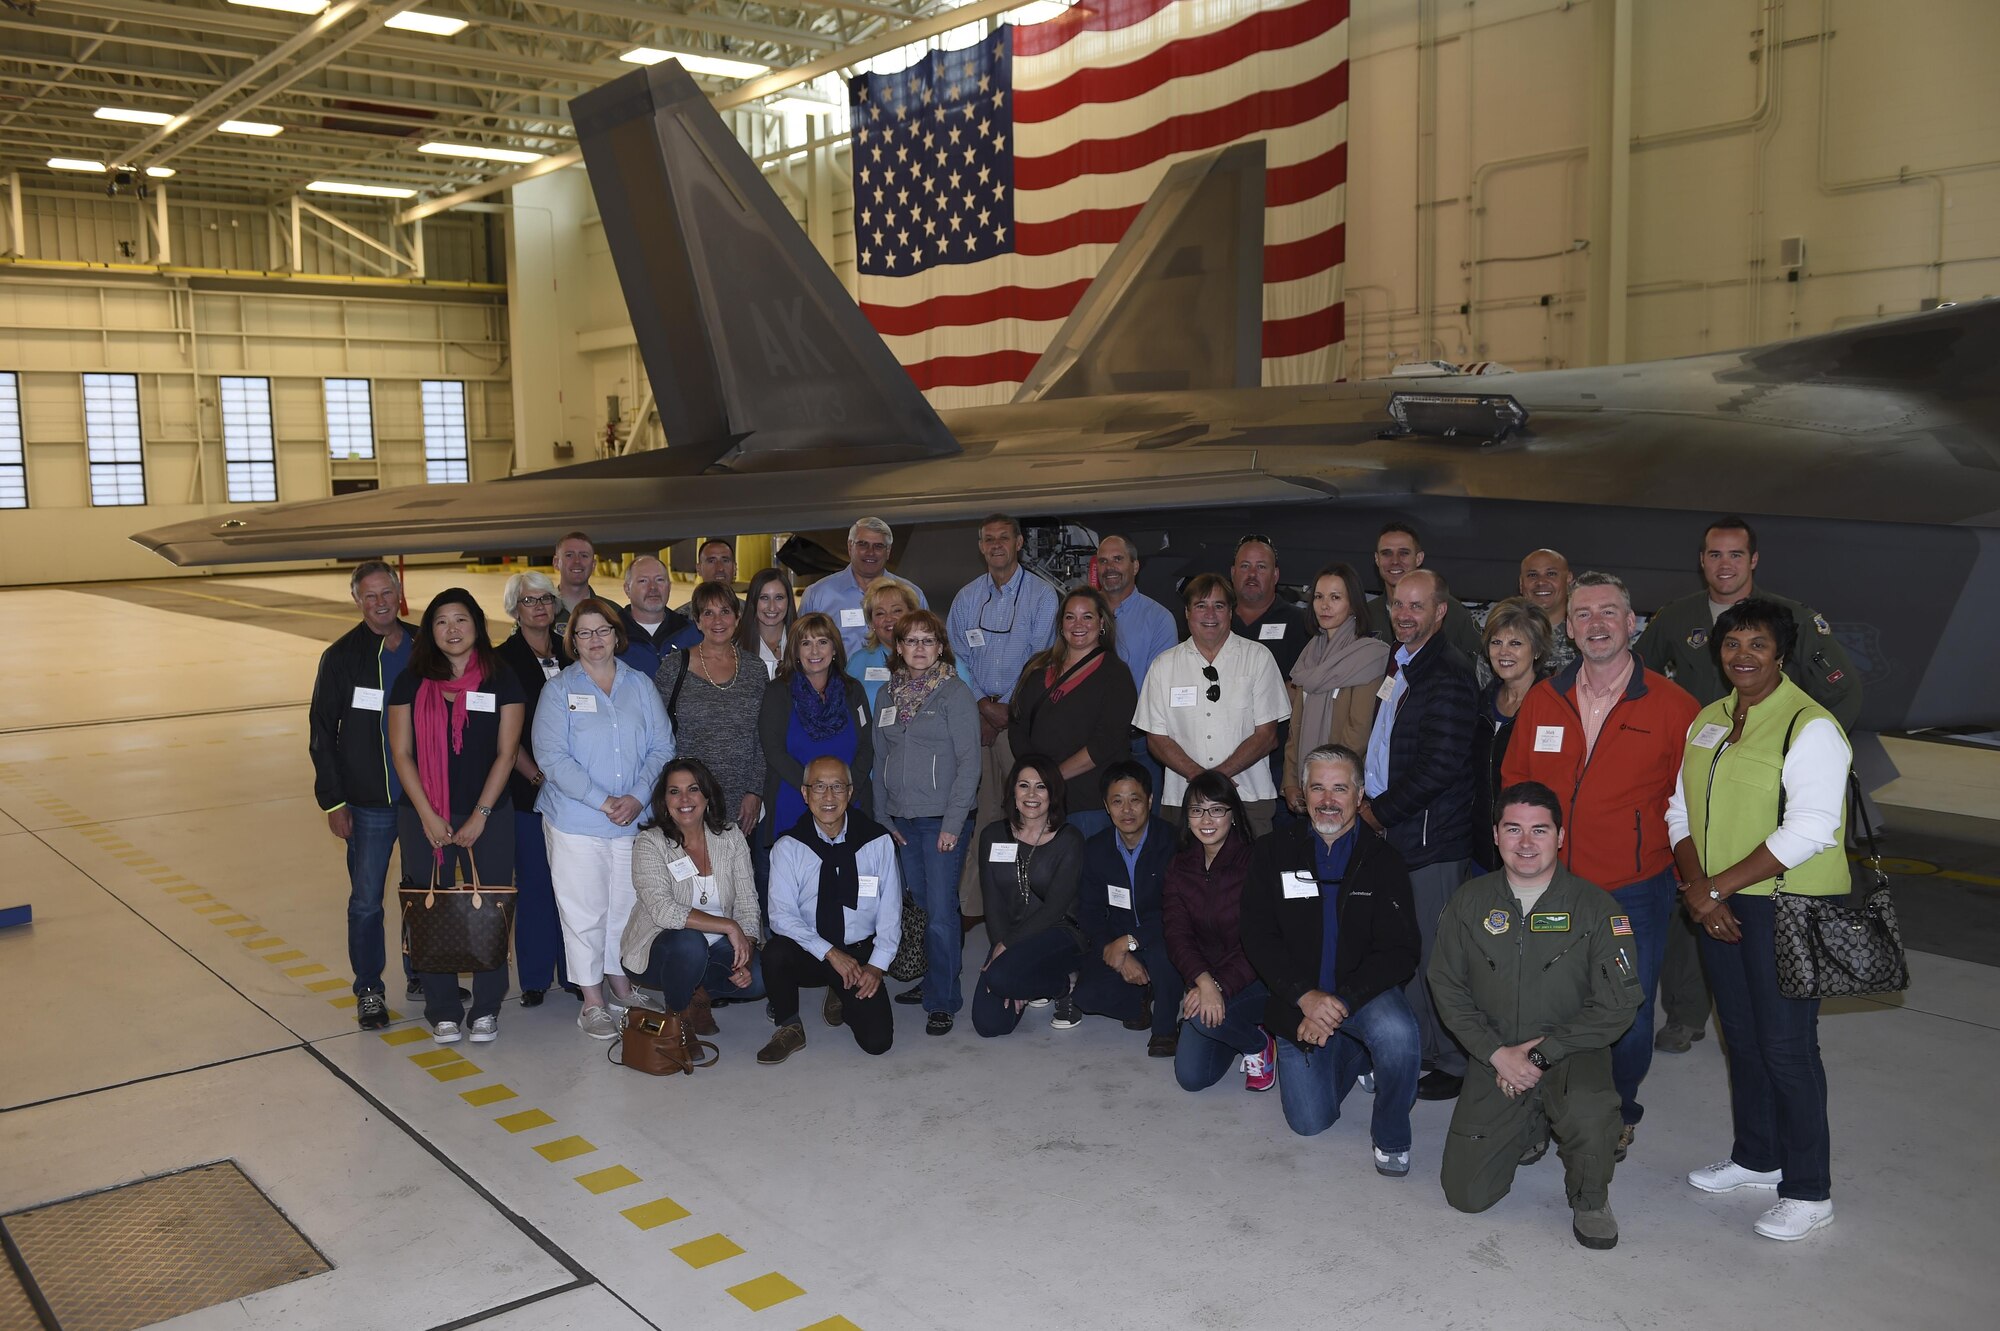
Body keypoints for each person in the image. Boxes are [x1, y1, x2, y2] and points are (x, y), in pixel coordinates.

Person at [1637, 515, 1862, 1055]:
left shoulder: (1792, 622)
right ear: (1702, 560)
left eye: (1735, 555)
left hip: (1774, 840)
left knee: (1783, 1042)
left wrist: (1804, 758)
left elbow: (1841, 691)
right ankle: (1688, 1013)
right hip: (1706, 785)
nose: (1725, 565)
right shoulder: (1679, 620)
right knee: (1734, 1018)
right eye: (1715, 554)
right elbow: (1639, 678)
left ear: (1753, 561)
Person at [1668, 599, 1849, 1242]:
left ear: (1782, 653)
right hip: (1719, 900)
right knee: (1740, 1038)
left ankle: (1808, 1189)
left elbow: (1811, 828)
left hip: (1786, 905)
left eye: (1758, 645)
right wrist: (1701, 892)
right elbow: (1680, 810)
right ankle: (1757, 1157)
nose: (1743, 656)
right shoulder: (1709, 719)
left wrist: (1711, 888)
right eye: (1732, 644)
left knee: (1787, 1047)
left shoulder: (1810, 724)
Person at [1501, 572, 1698, 1160]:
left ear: (1632, 623)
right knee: (1545, 1005)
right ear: (1568, 627)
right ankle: (1541, 1107)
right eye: (1583, 614)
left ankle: (1617, 1110)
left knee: (1626, 1012)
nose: (1596, 624)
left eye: (1608, 612)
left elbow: (1690, 803)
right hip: (1550, 886)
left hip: (1632, 889)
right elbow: (1517, 782)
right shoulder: (1544, 698)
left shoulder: (1672, 706)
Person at [1428, 783, 1643, 1250]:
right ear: (1496, 834)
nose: (1526, 843)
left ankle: (1590, 1198)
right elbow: (1446, 985)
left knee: (1590, 1114)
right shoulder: (1469, 902)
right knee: (1466, 1195)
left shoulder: (1596, 909)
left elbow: (1620, 1004)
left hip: (1572, 1050)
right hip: (1497, 1052)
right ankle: (1529, 1122)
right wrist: (1495, 1054)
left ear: (1560, 837)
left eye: (1539, 830)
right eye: (1514, 829)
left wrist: (1543, 1055)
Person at [1240, 745, 1422, 1174]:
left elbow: (1402, 951)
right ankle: (1357, 1054)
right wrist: (1304, 998)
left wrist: (1337, 1003)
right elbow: (1257, 935)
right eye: (1317, 787)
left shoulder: (1385, 861)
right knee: (1310, 1123)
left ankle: (1392, 1134)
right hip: (1297, 1001)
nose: (1327, 799)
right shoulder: (1271, 852)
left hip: (1360, 995)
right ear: (1302, 793)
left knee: (1398, 1036)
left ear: (1359, 795)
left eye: (1340, 788)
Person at [1359, 568, 1479, 1101]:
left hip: (1429, 841)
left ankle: (1453, 1063)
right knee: (1409, 951)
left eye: (1416, 606)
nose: (1404, 614)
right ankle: (1422, 1050)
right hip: (1401, 834)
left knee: (1437, 960)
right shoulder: (1402, 661)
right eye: (1397, 605)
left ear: (1439, 612)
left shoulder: (1448, 673)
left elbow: (1441, 767)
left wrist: (1377, 813)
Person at [533, 597, 677, 1040]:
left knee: (625, 909)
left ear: (618, 635)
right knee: (583, 912)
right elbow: (551, 757)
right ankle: (593, 1002)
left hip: (631, 820)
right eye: (584, 632)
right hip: (576, 821)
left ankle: (620, 985)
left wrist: (635, 799)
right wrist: (604, 801)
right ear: (572, 640)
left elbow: (663, 747)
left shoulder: (639, 685)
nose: (594, 640)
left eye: (603, 631)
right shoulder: (558, 691)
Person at [385, 588, 525, 1044]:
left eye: (460, 619)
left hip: (489, 812)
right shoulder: (411, 681)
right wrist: (427, 815)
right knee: (429, 904)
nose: (451, 629)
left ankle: (487, 1006)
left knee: (493, 903)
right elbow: (402, 754)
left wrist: (481, 815)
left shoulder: (501, 678)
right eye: (441, 621)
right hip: (423, 813)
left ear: (477, 625)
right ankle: (442, 1006)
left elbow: (507, 754)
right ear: (431, 631)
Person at [309, 560, 419, 1028]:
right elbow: (321, 731)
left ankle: (425, 976)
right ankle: (370, 989)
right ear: (357, 600)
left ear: (399, 593)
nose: (380, 602)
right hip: (368, 803)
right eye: (369, 595)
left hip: (421, 802)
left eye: (386, 592)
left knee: (424, 893)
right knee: (367, 901)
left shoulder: (423, 645)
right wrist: (333, 801)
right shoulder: (341, 657)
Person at [871, 610, 980, 1034]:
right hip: (901, 818)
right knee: (919, 899)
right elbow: (881, 758)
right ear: (898, 647)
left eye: (928, 640)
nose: (919, 648)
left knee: (940, 912)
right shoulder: (886, 695)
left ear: (940, 647)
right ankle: (937, 976)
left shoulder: (955, 694)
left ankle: (943, 1000)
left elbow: (971, 762)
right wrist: (881, 814)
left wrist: (954, 822)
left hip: (942, 819)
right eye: (911, 640)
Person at [756, 757, 902, 1063]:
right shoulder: (789, 846)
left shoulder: (877, 842)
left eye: (837, 787)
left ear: (850, 793)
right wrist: (830, 952)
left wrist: (876, 966)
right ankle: (789, 1025)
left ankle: (840, 992)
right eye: (819, 787)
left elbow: (891, 911)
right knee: (774, 952)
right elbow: (781, 916)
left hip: (859, 952)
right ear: (805, 794)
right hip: (813, 950)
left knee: (878, 1042)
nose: (828, 796)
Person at [950, 514, 1060, 916]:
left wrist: (1005, 710)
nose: (996, 545)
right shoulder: (966, 599)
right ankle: (977, 906)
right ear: (981, 546)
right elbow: (956, 659)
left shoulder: (1042, 596)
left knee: (1029, 813)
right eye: (989, 539)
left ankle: (1030, 903)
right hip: (977, 721)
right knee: (983, 818)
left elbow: (1042, 660)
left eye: (1004, 538)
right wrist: (981, 704)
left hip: (1023, 721)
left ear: (1019, 544)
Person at [1133, 574, 1291, 836]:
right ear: (1186, 612)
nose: (1210, 614)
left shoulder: (1258, 658)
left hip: (1248, 797)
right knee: (1187, 876)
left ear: (1231, 612)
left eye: (1219, 605)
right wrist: (1198, 776)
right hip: (1181, 799)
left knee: (1250, 875)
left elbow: (1267, 736)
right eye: (1200, 605)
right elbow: (1156, 738)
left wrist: (1215, 779)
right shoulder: (1164, 665)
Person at [620, 758, 765, 1031]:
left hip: (717, 946)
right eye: (674, 791)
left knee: (759, 978)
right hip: (660, 949)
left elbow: (747, 901)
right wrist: (728, 926)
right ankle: (678, 1016)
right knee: (690, 943)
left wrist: (745, 945)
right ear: (664, 801)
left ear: (707, 795)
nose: (684, 798)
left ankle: (699, 994)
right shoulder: (650, 843)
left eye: (693, 789)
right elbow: (664, 911)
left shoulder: (731, 837)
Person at [1162, 770, 1271, 1093]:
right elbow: (1176, 934)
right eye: (1196, 810)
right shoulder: (1179, 867)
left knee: (1198, 1018)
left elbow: (1259, 941)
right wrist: (1203, 982)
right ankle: (1237, 1030)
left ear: (1233, 815)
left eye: (1216, 809)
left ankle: (1258, 1043)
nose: (1206, 819)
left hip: (1255, 979)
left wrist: (1217, 985)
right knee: (1192, 1078)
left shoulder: (1255, 863)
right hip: (1206, 980)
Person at [1006, 586, 1138, 841]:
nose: (1078, 624)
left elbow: (1107, 741)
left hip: (1088, 801)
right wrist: (1035, 779)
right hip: (1037, 801)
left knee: (1086, 876)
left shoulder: (1115, 674)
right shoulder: (1037, 666)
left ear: (1101, 622)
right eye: (1070, 617)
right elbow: (1017, 723)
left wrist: (1052, 777)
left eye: (1087, 616)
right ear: (1060, 623)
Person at [495, 570, 571, 1005]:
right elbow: (504, 734)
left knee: (573, 885)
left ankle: (577, 974)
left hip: (575, 792)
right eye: (529, 601)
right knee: (537, 884)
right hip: (530, 791)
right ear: (514, 608)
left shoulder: (573, 651)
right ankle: (537, 979)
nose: (539, 607)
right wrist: (537, 777)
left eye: (546, 599)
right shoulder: (502, 660)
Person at [970, 754, 1087, 1037]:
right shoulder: (992, 835)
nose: (1031, 794)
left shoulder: (1069, 840)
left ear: (1053, 793)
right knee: (989, 1025)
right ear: (1013, 791)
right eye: (1024, 785)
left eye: (1041, 786)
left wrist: (1008, 950)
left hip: (1060, 932)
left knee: (999, 977)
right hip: (1011, 936)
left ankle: (1062, 983)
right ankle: (1045, 982)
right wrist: (1001, 946)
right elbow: (993, 902)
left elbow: (1056, 909)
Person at [1072, 761, 1181, 1055]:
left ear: (1149, 800)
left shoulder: (1173, 842)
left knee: (1162, 956)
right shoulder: (1096, 848)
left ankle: (1166, 1028)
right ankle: (1142, 996)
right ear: (1106, 807)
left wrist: (1132, 941)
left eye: (1134, 799)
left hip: (1165, 935)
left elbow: (1177, 910)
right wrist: (1115, 949)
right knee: (1085, 996)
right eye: (1117, 801)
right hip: (1120, 938)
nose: (1127, 810)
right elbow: (1090, 911)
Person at [652, 583, 767, 840]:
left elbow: (763, 736)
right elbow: (654, 733)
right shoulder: (674, 668)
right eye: (708, 613)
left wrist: (755, 791)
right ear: (697, 620)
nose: (717, 620)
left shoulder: (755, 669)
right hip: (687, 799)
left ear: (737, 618)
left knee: (737, 876)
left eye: (725, 611)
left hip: (741, 801)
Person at [758, 612, 874, 858]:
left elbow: (866, 746)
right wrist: (816, 791)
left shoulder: (853, 691)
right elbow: (774, 750)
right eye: (805, 643)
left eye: (822, 641)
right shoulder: (778, 692)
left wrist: (844, 788)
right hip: (794, 802)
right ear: (795, 652)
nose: (814, 651)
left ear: (834, 649)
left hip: (849, 804)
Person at [1281, 562, 1390, 816]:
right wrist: (1290, 781)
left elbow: (1358, 733)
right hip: (1307, 784)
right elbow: (1294, 729)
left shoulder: (1369, 656)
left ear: (1352, 604)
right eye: (1318, 597)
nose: (1324, 605)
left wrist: (1322, 785)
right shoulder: (1309, 655)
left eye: (1335, 597)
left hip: (1342, 789)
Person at [1471, 598, 1555, 863]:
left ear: (1537, 651)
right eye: (1496, 642)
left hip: (1531, 850)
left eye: (1515, 643)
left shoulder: (1554, 708)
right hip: (1480, 848)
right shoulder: (1481, 702)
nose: (1503, 652)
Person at [1095, 533, 1179, 792]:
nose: (1109, 567)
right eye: (1103, 561)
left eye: (1118, 559)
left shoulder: (1159, 620)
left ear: (1135, 566)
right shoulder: (1081, 615)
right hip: (1087, 741)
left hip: (1138, 744)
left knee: (1143, 823)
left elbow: (1159, 691)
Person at [1229, 536, 1312, 797]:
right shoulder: (1215, 620)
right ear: (1233, 573)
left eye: (1261, 567)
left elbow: (1302, 690)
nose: (1252, 574)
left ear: (1275, 575)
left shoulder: (1300, 624)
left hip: (1276, 761)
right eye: (1245, 566)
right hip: (1219, 756)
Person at [799, 517, 928, 656]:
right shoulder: (817, 595)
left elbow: (927, 643)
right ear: (850, 547)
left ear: (889, 551)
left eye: (878, 546)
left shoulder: (913, 595)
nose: (870, 552)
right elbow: (799, 646)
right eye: (862, 544)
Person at [1363, 522, 1483, 662]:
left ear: (1419, 558)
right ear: (1377, 559)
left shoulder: (1452, 613)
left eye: (1404, 553)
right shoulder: (1366, 616)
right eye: (1386, 553)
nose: (1395, 561)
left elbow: (1478, 668)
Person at [617, 554, 693, 680]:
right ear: (627, 589)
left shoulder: (692, 634)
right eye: (643, 581)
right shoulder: (610, 636)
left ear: (669, 586)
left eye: (659, 580)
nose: (653, 587)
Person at [848, 578, 916, 709]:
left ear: (912, 614)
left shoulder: (937, 658)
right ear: (871, 623)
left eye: (897, 610)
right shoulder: (857, 663)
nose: (889, 618)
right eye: (880, 613)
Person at [1519, 548, 1578, 672]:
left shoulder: (1586, 633)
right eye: (1532, 575)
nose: (1541, 582)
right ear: (1521, 583)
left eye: (1551, 574)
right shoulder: (1504, 635)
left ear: (1569, 579)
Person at [738, 567, 796, 681]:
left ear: (788, 601)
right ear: (753, 601)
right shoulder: (735, 647)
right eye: (764, 598)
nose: (772, 607)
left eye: (779, 598)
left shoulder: (803, 643)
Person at [550, 531, 598, 635]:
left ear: (593, 565)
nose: (577, 561)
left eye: (584, 556)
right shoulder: (540, 613)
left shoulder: (612, 612)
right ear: (556, 563)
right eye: (569, 555)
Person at [675, 537, 737, 611]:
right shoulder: (681, 619)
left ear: (735, 568)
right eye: (711, 561)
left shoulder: (749, 614)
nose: (720, 568)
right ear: (699, 568)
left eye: (725, 560)